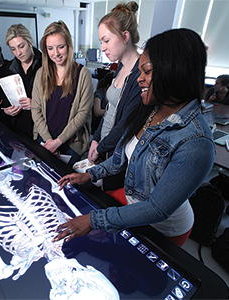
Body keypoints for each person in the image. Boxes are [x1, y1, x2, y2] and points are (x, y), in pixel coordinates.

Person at [54, 28, 215, 247]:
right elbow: (120, 157)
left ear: (174, 70)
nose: (140, 79)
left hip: (163, 228)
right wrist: (90, 175)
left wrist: (94, 221)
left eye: (147, 71)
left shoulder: (196, 142)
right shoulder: (148, 109)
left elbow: (157, 208)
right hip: (131, 204)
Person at [87, 1, 142, 191]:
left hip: (119, 156)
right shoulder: (120, 67)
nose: (102, 47)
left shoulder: (140, 74)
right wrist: (96, 138)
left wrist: (101, 147)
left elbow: (125, 123)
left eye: (106, 40)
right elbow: (110, 108)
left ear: (125, 36)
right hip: (105, 148)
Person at [31, 21, 93, 166]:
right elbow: (36, 109)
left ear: (69, 46)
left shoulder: (83, 74)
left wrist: (58, 142)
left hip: (71, 143)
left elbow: (83, 113)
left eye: (61, 47)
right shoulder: (41, 74)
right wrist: (48, 140)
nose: (56, 53)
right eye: (50, 48)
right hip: (45, 139)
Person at [5, 24, 42, 138]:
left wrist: (35, 104)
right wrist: (7, 111)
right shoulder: (10, 68)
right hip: (19, 126)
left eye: (21, 46)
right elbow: (6, 99)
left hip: (41, 127)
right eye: (13, 49)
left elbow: (57, 101)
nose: (18, 53)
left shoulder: (46, 65)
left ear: (30, 42)